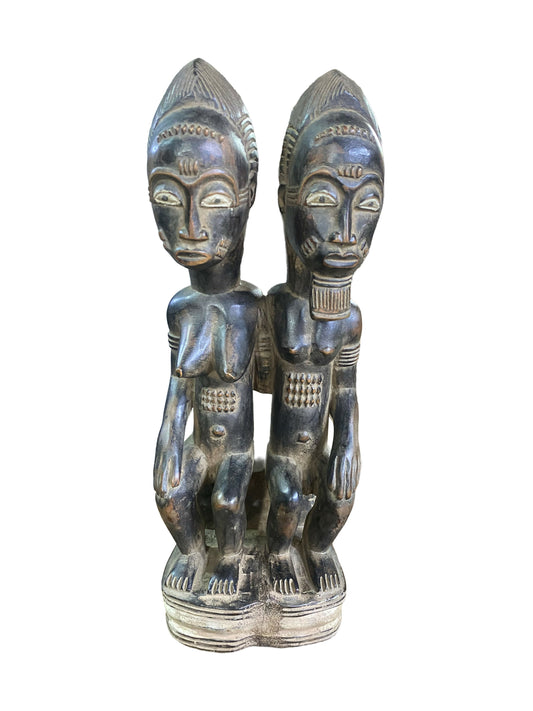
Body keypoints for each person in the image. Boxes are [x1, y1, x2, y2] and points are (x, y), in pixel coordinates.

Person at [265, 70, 384, 594]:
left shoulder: (350, 319)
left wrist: (349, 444)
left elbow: (348, 392)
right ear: (287, 200)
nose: (346, 231)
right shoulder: (273, 307)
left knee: (340, 501)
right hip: (281, 457)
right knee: (287, 502)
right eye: (322, 199)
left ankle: (313, 549)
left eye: (368, 203)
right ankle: (277, 553)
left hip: (320, 449)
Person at [148, 59, 260, 595]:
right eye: (169, 197)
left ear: (246, 194)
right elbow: (177, 394)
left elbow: (277, 382)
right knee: (170, 494)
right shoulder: (181, 308)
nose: (191, 226)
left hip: (236, 451)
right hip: (200, 444)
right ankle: (194, 551)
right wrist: (169, 441)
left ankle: (231, 562)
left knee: (229, 501)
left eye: (213, 199)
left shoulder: (253, 306)